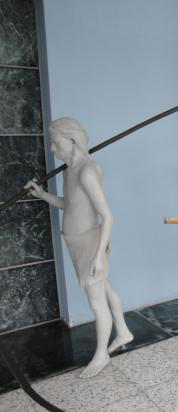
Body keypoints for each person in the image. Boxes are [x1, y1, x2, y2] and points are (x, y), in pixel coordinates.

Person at [25, 118, 133, 378]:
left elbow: (108, 216)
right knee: (105, 288)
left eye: (56, 143)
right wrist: (43, 195)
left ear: (72, 141)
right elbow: (69, 204)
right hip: (76, 242)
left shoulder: (87, 171)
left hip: (89, 244)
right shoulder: (69, 170)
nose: (52, 149)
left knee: (97, 303)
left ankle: (101, 355)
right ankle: (123, 332)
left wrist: (98, 256)